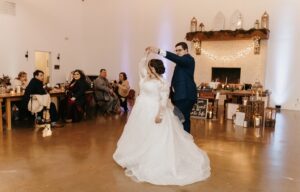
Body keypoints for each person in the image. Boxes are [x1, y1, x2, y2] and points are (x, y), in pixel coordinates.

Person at [113, 54, 210, 186]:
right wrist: (145, 57)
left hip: (153, 109)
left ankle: (150, 159)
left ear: (156, 69)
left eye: (151, 69)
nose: (148, 71)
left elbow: (164, 100)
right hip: (140, 110)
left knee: (154, 135)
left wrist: (160, 114)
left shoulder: (163, 82)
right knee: (140, 133)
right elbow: (140, 67)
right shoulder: (145, 77)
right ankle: (135, 156)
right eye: (148, 68)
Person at [147, 42, 197, 133]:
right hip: (181, 96)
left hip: (185, 96)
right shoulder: (182, 62)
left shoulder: (189, 59)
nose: (177, 52)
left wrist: (159, 51)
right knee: (182, 119)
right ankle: (185, 140)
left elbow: (176, 58)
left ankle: (185, 141)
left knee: (180, 119)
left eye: (180, 50)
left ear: (186, 50)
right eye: (176, 50)